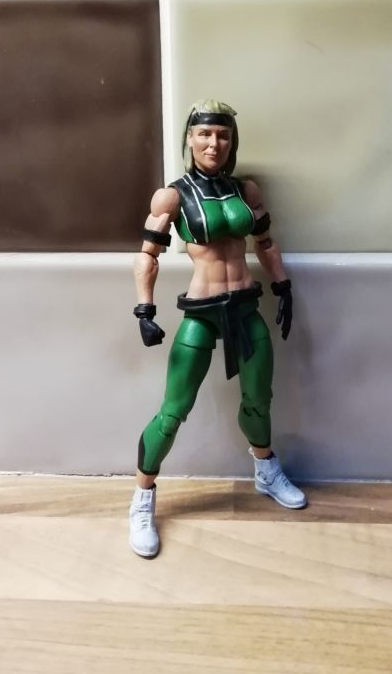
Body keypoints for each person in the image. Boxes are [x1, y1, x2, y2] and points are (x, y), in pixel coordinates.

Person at [129, 99, 306, 558]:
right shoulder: (172, 197)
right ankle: (143, 496)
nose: (214, 143)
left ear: (232, 140)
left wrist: (283, 286)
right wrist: (144, 310)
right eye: (205, 134)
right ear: (190, 138)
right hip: (202, 313)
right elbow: (147, 255)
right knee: (173, 411)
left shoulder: (245, 191)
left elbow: (265, 242)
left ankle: (265, 470)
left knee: (259, 399)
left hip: (245, 306)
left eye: (223, 135)